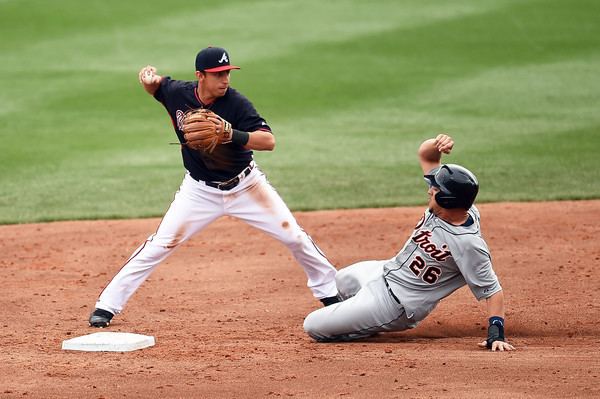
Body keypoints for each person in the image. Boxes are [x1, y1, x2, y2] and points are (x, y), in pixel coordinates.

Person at [89, 46, 339, 328]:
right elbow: (157, 86)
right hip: (199, 191)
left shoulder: (236, 104)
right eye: (218, 74)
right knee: (160, 243)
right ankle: (106, 306)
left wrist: (231, 133)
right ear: (200, 76)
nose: (225, 80)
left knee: (294, 237)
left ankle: (331, 294)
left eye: (228, 73)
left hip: (247, 187)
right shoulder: (178, 93)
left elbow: (268, 142)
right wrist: (148, 80)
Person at [303, 134, 515, 351]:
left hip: (394, 304)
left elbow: (492, 289)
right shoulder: (450, 208)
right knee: (340, 280)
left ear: (447, 200)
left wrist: (495, 333)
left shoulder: (468, 244)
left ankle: (363, 325)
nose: (430, 190)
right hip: (383, 271)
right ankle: (356, 315)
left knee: (312, 326)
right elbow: (426, 155)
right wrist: (437, 145)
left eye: (435, 191)